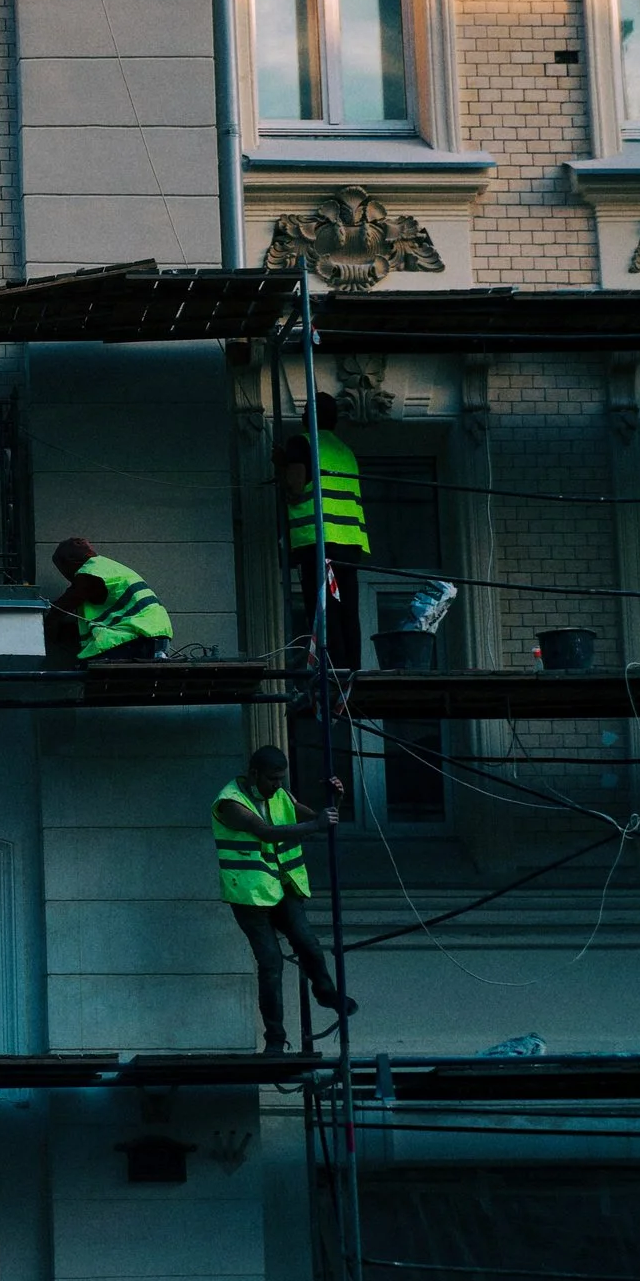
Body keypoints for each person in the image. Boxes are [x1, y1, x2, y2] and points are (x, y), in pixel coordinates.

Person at [214, 746, 356, 1055]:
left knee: (308, 942)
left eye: (281, 778)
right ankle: (275, 1039)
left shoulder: (281, 795)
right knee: (271, 963)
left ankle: (325, 991)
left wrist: (336, 801)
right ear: (254, 774)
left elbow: (316, 819)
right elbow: (264, 832)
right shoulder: (230, 802)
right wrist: (316, 824)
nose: (277, 784)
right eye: (272, 779)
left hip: (283, 887)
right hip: (250, 895)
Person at [279, 392, 368, 670]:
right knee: (347, 613)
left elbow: (294, 487)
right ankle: (351, 671)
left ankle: (333, 673)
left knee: (323, 613)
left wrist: (280, 467)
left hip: (318, 543)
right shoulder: (345, 451)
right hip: (349, 545)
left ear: (307, 418)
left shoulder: (302, 443)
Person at [49, 538, 172, 661]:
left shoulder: (89, 573)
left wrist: (46, 622)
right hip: (156, 633)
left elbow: (67, 602)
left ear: (70, 563)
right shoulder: (108, 567)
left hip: (133, 638)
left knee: (94, 672)